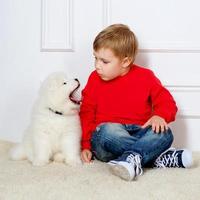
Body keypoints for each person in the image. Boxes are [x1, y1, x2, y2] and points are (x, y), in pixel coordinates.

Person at [80, 24, 193, 181]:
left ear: (125, 61)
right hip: (107, 140)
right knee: (108, 131)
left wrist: (160, 116)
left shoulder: (145, 77)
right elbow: (86, 112)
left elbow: (166, 101)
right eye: (96, 58)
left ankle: (131, 159)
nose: (97, 65)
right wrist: (85, 145)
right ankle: (156, 157)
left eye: (104, 61)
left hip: (139, 131)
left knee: (164, 133)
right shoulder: (94, 79)